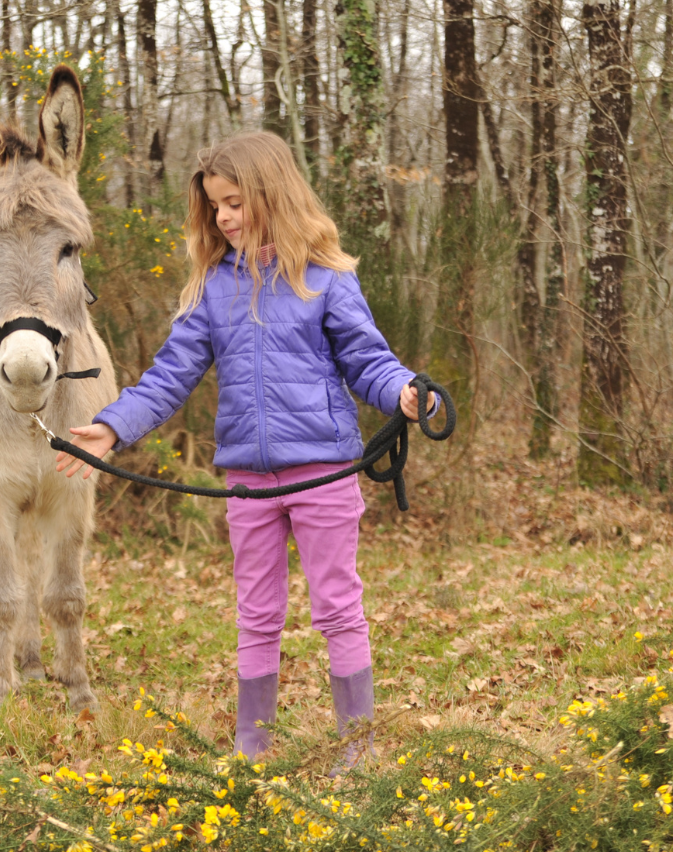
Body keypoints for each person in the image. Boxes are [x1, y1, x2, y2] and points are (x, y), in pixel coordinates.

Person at [55, 131, 435, 771]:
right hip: (247, 479)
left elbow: (368, 360)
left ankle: (356, 747)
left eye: (234, 203)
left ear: (271, 194)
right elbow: (169, 375)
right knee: (256, 615)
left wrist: (403, 391)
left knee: (337, 609)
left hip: (322, 471)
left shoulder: (327, 279)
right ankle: (251, 747)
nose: (223, 218)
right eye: (214, 208)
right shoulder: (212, 288)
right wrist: (113, 426)